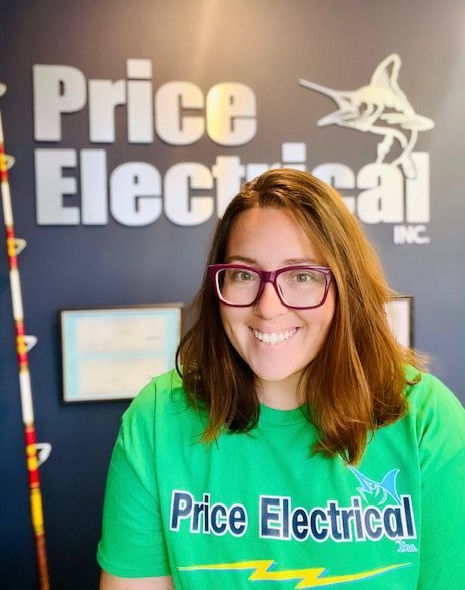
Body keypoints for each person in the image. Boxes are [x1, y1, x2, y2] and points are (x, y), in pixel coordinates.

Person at [97, 169, 465, 590]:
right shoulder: (157, 420)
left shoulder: (426, 420)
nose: (268, 308)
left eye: (302, 276)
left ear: (346, 287)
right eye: (243, 274)